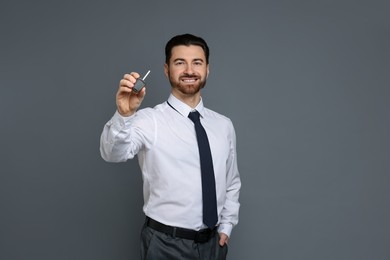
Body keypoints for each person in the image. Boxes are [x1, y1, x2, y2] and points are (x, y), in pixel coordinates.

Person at [100, 33, 241, 260]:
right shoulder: (148, 120)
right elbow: (112, 153)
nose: (189, 70)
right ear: (167, 70)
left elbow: (231, 180)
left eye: (197, 62)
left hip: (213, 245)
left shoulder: (223, 125)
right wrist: (124, 115)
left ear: (207, 69)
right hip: (165, 245)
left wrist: (226, 226)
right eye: (179, 62)